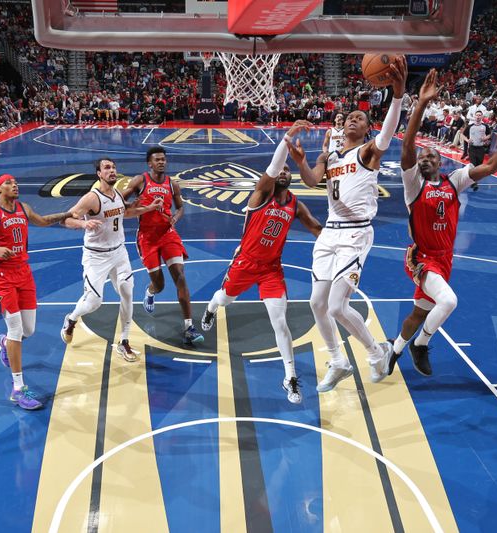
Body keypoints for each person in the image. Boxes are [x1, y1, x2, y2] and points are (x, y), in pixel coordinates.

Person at [287, 56, 407, 392]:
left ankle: (376, 352)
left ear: (366, 128)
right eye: (350, 117)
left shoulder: (368, 152)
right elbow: (311, 181)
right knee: (316, 303)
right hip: (329, 233)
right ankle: (338, 360)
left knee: (338, 306)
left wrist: (397, 96)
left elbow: (388, 133)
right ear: (342, 126)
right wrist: (301, 161)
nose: (353, 120)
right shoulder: (333, 156)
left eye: (360, 118)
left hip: (355, 234)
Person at [386, 70, 497, 375]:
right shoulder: (413, 186)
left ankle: (395, 349)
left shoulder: (454, 181)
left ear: (441, 162)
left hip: (444, 260)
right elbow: (407, 146)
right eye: (423, 157)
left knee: (420, 313)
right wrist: (420, 104)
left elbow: (488, 169)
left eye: (431, 156)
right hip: (421, 259)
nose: (425, 159)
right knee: (449, 301)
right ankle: (421, 346)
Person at [201, 121, 322, 403]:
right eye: (280, 169)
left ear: (290, 178)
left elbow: (317, 229)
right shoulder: (260, 194)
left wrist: (345, 238)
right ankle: (210, 308)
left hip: (271, 270)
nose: (283, 171)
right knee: (224, 299)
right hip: (245, 262)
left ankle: (289, 377)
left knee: (280, 322)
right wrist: (288, 138)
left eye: (287, 170)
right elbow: (272, 167)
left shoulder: (295, 205)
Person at [0, 174, 74, 410]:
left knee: (28, 330)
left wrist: (67, 214)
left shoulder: (24, 207)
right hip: (3, 276)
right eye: (9, 183)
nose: (15, 185)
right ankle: (18, 389)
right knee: (16, 328)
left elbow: (41, 221)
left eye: (15, 182)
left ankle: (4, 343)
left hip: (24, 272)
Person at [60, 158, 163, 361]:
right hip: (96, 256)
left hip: (119, 253)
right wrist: (83, 225)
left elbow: (126, 212)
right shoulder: (92, 198)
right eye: (107, 168)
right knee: (93, 302)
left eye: (114, 167)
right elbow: (66, 218)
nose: (112, 170)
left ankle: (124, 342)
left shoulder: (116, 194)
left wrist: (149, 208)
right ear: (99, 173)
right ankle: (71, 319)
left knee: (127, 291)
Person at [121, 147, 204, 345]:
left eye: (163, 159)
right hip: (147, 238)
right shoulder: (140, 181)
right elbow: (120, 202)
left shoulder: (172, 184)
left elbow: (181, 207)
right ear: (149, 163)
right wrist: (135, 206)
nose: (161, 162)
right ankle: (150, 293)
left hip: (168, 234)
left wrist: (175, 217)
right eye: (157, 159)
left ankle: (189, 327)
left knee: (180, 276)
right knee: (159, 284)